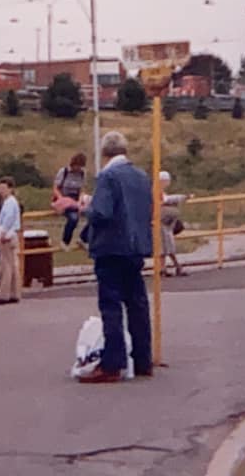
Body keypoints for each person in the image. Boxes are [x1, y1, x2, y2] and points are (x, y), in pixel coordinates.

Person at [79, 130, 153, 383]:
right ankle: (143, 359)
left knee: (111, 305)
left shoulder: (108, 176)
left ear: (104, 152)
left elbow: (102, 212)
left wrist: (85, 206)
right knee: (137, 304)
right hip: (135, 247)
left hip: (111, 248)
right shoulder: (141, 176)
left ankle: (113, 362)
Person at [0, 177, 21, 306]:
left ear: (10, 189)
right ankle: (14, 292)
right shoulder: (13, 202)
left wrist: (1, 236)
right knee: (13, 264)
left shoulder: (9, 203)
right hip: (13, 235)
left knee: (5, 266)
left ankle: (3, 294)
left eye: (4, 188)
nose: (1, 191)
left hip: (6, 235)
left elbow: (7, 220)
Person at [159, 170, 192, 277]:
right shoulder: (157, 192)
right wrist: (183, 197)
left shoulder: (157, 191)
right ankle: (177, 267)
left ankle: (163, 268)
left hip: (163, 221)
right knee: (167, 244)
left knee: (164, 245)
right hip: (162, 221)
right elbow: (165, 200)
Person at [52, 152, 87, 250]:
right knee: (73, 218)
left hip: (75, 200)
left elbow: (81, 189)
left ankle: (84, 238)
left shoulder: (82, 173)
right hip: (63, 198)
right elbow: (55, 188)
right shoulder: (64, 172)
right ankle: (65, 241)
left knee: (93, 214)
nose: (78, 168)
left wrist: (80, 200)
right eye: (77, 166)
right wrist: (61, 199)